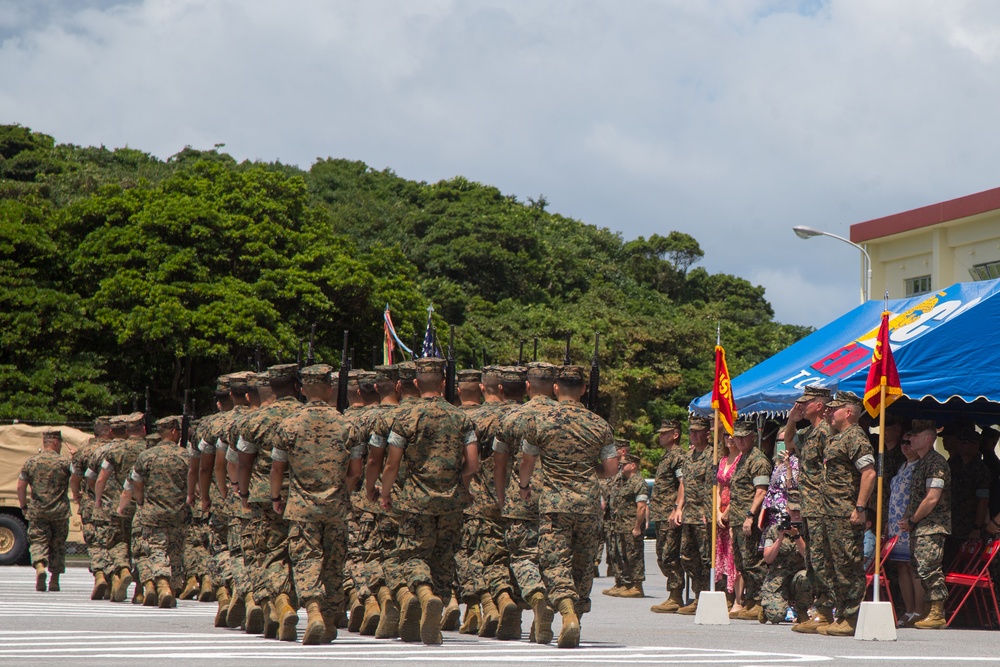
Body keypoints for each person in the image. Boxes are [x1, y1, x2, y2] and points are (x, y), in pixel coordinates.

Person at [517, 364, 619, 648]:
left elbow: (527, 462)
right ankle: (577, 619)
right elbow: (611, 468)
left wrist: (525, 487)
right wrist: (588, 471)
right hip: (587, 503)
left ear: (556, 388)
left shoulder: (540, 421)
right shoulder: (600, 425)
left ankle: (567, 613)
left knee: (554, 562)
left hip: (554, 503)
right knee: (583, 563)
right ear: (584, 390)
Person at [379, 356, 479, 645]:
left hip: (414, 500)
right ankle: (437, 603)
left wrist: (386, 493)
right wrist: (458, 480)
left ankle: (424, 594)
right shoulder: (461, 417)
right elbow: (472, 463)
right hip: (450, 500)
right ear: (445, 383)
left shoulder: (405, 417)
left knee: (412, 555)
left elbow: (391, 465)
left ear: (414, 383)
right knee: (444, 556)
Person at [272, 364, 363, 644]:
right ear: (329, 388)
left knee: (307, 559)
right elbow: (355, 472)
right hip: (336, 506)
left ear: (302, 390)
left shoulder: (288, 425)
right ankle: (331, 617)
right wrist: (340, 491)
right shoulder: (348, 425)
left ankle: (313, 610)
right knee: (334, 562)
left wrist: (277, 497)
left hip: (301, 506)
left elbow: (277, 470)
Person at [236, 363, 304, 640]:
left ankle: (280, 603)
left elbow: (243, 464)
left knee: (273, 554)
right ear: (297, 386)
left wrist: (243, 495)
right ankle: (298, 603)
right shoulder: (305, 416)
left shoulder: (254, 421)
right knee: (303, 555)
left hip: (266, 497)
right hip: (304, 496)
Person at [787, 385, 835, 634]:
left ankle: (826, 611)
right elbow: (788, 443)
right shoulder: (809, 432)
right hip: (809, 506)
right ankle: (821, 610)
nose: (801, 407)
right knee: (814, 560)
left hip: (822, 506)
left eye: (806, 403)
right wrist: (791, 421)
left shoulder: (828, 432)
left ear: (819, 405)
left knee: (822, 559)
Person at [131, 415, 191, 608]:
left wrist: (141, 502)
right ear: (174, 432)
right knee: (175, 551)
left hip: (153, 512)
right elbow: (193, 483)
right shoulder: (185, 455)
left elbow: (137, 483)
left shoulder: (146, 456)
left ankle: (162, 585)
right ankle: (171, 589)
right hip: (179, 511)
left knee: (156, 549)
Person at [899, 419, 952, 630]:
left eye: (915, 436)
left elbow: (932, 498)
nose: (910, 439)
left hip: (931, 525)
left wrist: (912, 520)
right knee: (919, 568)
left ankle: (937, 612)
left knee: (929, 568)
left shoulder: (935, 463)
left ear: (929, 439)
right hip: (920, 526)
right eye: (910, 435)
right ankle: (928, 610)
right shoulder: (922, 462)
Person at [727, 420, 772, 621]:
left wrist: (750, 516)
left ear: (753, 437)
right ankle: (750, 602)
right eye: (738, 437)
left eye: (745, 436)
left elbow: (761, 491)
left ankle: (759, 602)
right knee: (742, 563)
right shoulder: (742, 459)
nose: (741, 440)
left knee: (754, 562)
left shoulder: (757, 460)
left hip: (749, 521)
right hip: (738, 519)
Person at [17, 430, 72, 592]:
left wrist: (23, 506)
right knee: (58, 545)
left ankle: (40, 566)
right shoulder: (64, 463)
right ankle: (55, 580)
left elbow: (21, 486)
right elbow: (77, 477)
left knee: (38, 541)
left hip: (38, 510)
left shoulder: (31, 462)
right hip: (60, 512)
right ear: (55, 443)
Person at [677, 416, 713, 616]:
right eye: (691, 432)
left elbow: (711, 488)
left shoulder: (712, 456)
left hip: (703, 514)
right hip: (689, 513)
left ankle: (708, 596)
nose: (693, 435)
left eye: (698, 431)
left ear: (707, 434)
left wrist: (709, 512)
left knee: (706, 557)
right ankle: (698, 594)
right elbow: (684, 485)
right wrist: (678, 507)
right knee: (688, 557)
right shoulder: (687, 458)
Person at [886, 431, 923, 627]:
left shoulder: (919, 467)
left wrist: (911, 519)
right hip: (895, 524)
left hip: (909, 524)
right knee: (901, 567)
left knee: (913, 567)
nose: (905, 445)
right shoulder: (903, 466)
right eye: (903, 441)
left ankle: (918, 610)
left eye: (910, 442)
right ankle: (908, 610)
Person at [648, 420, 685, 613]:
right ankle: (674, 593)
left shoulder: (678, 456)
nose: (660, 436)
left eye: (665, 433)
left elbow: (683, 483)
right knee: (662, 555)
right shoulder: (667, 456)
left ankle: (676, 595)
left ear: (675, 434)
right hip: (661, 514)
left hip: (669, 514)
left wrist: (676, 508)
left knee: (669, 556)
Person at [760, 491, 810, 624]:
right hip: (778, 579)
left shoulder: (807, 530)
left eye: (799, 510)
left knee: (806, 577)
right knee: (776, 617)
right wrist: (780, 538)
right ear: (787, 509)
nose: (797, 514)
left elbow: (807, 557)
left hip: (797, 579)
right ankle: (766, 608)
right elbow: (768, 558)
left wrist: (797, 536)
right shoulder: (774, 530)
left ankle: (802, 611)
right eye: (793, 511)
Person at [608, 453, 647, 597]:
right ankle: (627, 584)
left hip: (631, 526)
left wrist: (637, 526)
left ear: (633, 465)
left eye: (624, 464)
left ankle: (637, 587)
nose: (621, 466)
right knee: (622, 555)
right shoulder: (626, 482)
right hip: (622, 525)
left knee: (634, 556)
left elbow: (641, 506)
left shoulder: (638, 482)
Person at [715, 432, 741, 608]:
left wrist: (728, 512)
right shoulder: (723, 459)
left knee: (733, 555)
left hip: (735, 511)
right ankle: (724, 593)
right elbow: (718, 488)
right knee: (721, 554)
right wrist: (717, 511)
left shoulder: (741, 459)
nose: (729, 439)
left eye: (733, 435)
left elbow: (739, 490)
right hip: (720, 513)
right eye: (726, 435)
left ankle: (735, 597)